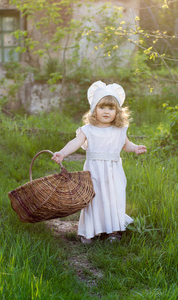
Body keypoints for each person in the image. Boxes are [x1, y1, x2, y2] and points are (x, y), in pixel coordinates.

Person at [52, 81, 147, 244]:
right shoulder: (88, 129)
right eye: (102, 107)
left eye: (111, 108)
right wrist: (62, 152)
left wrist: (136, 148)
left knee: (114, 198)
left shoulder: (119, 130)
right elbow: (75, 142)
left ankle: (113, 231)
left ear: (117, 112)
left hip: (113, 172)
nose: (106, 111)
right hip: (94, 171)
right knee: (93, 199)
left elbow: (126, 145)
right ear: (94, 109)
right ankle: (89, 231)